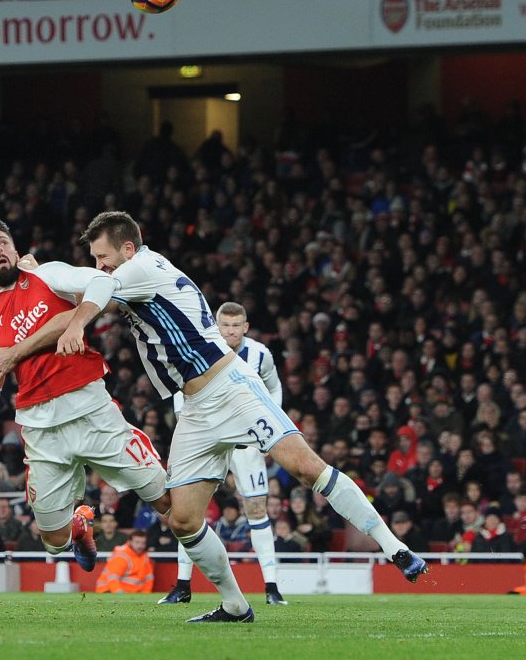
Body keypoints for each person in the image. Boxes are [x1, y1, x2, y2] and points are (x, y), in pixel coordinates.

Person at [65, 211, 427, 622]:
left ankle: (395, 548)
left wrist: (69, 315)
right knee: (182, 519)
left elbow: (93, 292)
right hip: (195, 408)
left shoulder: (142, 268)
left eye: (103, 257)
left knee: (306, 469)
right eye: (95, 260)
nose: (100, 266)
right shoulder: (131, 277)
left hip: (231, 387)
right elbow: (90, 287)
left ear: (128, 249)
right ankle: (235, 606)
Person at [0, 220, 170, 573]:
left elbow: (101, 281)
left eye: (4, 242)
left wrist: (70, 324)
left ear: (16, 251)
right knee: (54, 541)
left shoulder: (48, 275)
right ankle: (79, 526)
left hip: (90, 409)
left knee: (166, 501)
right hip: (41, 431)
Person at [160, 301, 288, 606]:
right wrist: (187, 425)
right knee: (188, 509)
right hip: (208, 440)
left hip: (245, 443)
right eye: (225, 325)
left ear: (245, 327)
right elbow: (181, 390)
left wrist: (267, 426)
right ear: (216, 326)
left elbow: (274, 388)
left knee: (256, 509)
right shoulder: (199, 349)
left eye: (236, 326)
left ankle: (271, 588)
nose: (230, 331)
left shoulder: (260, 354)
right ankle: (182, 585)